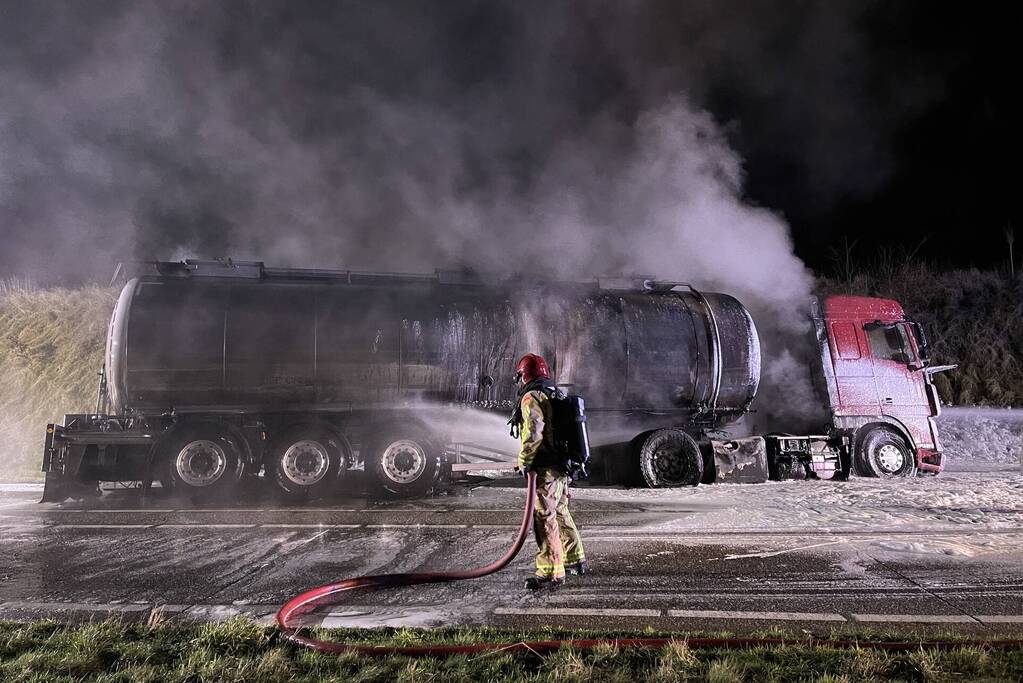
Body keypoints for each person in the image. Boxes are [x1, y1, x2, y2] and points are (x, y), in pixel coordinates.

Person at [510, 353, 587, 589]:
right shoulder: (554, 392)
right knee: (561, 511)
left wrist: (525, 460)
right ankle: (575, 558)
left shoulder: (532, 397)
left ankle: (551, 572)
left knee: (544, 517)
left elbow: (533, 432)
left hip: (546, 468)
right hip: (562, 466)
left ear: (524, 375)